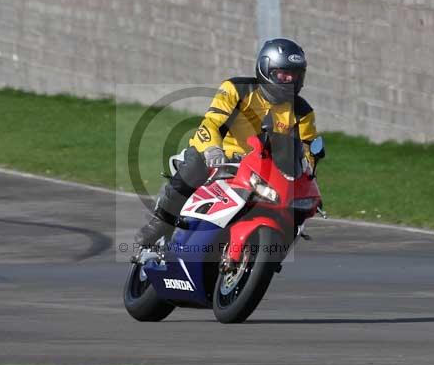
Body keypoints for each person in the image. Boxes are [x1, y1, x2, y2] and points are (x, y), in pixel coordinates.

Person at [134, 38, 319, 247]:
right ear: (266, 69)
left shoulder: (303, 112)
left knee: (294, 207)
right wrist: (213, 150)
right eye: (282, 74)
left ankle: (271, 249)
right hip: (221, 158)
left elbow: (306, 149)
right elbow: (211, 122)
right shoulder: (236, 89)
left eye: (294, 75)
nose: (288, 80)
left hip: (263, 170)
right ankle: (161, 221)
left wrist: (306, 174)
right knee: (195, 163)